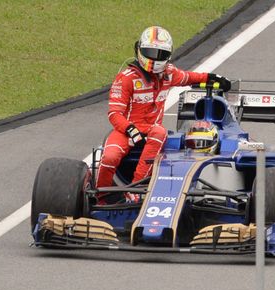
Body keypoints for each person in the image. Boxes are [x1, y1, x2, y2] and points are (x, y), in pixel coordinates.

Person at [97, 25, 231, 202]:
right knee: (109, 156)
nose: (154, 58)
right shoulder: (126, 78)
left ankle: (136, 188)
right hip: (125, 130)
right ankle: (100, 195)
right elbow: (114, 114)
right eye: (150, 51)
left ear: (167, 55)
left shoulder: (169, 74)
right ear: (139, 49)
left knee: (159, 132)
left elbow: (189, 77)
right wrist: (130, 130)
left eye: (159, 53)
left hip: (152, 131)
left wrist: (211, 78)